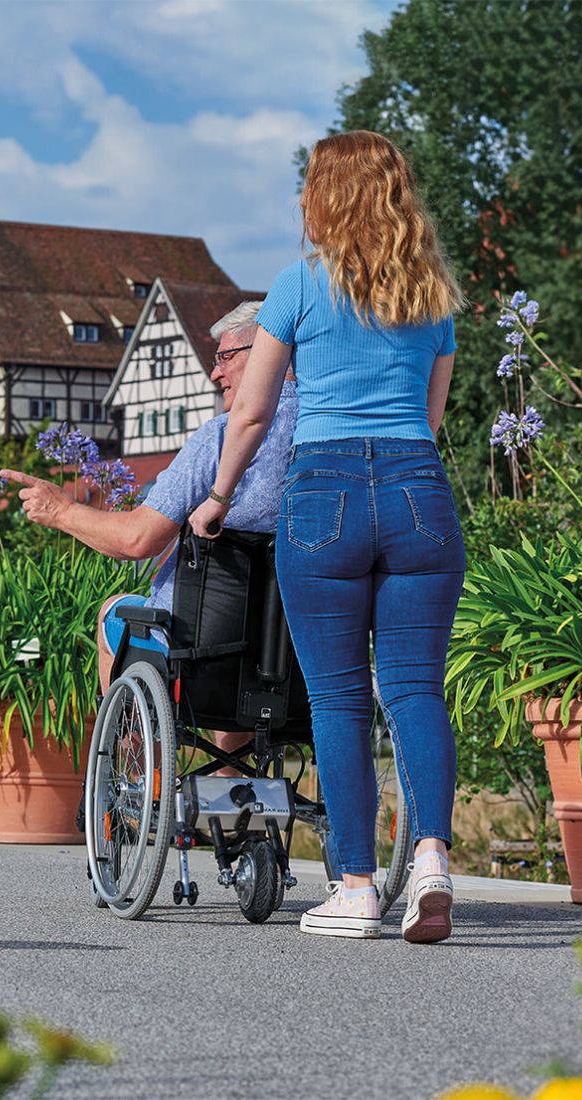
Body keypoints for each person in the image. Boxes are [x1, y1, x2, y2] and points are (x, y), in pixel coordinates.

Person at [189, 130, 465, 944]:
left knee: (342, 697)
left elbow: (252, 411)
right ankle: (431, 858)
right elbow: (433, 418)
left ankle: (354, 886)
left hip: (324, 499)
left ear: (322, 198)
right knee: (414, 688)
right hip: (419, 492)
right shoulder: (433, 295)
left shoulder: (298, 286)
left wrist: (217, 497)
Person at [0, 302, 298, 772]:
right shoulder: (330, 437)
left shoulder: (222, 440)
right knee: (250, 654)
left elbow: (138, 540)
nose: (215, 374)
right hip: (303, 665)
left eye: (224, 358)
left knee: (113, 613)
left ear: (269, 353)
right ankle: (239, 805)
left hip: (201, 660)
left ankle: (134, 779)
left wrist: (63, 510)